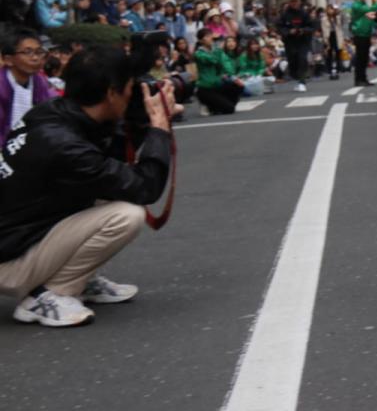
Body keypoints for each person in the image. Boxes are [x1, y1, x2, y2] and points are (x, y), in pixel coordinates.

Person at [0, 46, 174, 327]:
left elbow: (111, 165)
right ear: (111, 93)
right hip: (9, 260)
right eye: (129, 88)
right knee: (126, 215)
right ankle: (50, 293)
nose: (132, 94)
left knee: (108, 191)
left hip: (20, 234)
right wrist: (159, 129)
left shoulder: (50, 114)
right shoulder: (66, 146)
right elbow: (145, 188)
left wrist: (141, 120)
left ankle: (79, 279)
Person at [1, 28, 54, 141]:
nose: (35, 58)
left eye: (39, 52)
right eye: (28, 52)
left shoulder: (40, 81)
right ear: (8, 59)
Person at [193, 27, 241, 115]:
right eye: (207, 36)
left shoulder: (216, 50)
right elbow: (213, 60)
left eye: (210, 35)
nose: (211, 38)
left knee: (236, 86)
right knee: (229, 109)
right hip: (205, 88)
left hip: (217, 85)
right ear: (201, 40)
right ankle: (208, 104)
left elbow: (225, 64)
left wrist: (233, 76)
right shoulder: (198, 53)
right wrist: (219, 49)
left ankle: (215, 107)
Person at [276, 0, 313, 92]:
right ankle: (296, 76)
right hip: (290, 42)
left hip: (303, 41)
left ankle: (302, 81)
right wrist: (288, 31)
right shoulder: (284, 14)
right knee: (292, 60)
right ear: (289, 2)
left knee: (302, 58)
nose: (294, 3)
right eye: (292, 1)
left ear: (299, 2)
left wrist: (303, 30)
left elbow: (311, 26)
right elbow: (280, 27)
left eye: (296, 1)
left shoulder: (304, 13)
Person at [349, 0, 377, 87]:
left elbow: (371, 18)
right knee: (361, 58)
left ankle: (363, 79)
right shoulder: (356, 5)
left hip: (365, 34)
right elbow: (371, 9)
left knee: (364, 58)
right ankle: (359, 79)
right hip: (360, 35)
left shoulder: (363, 5)